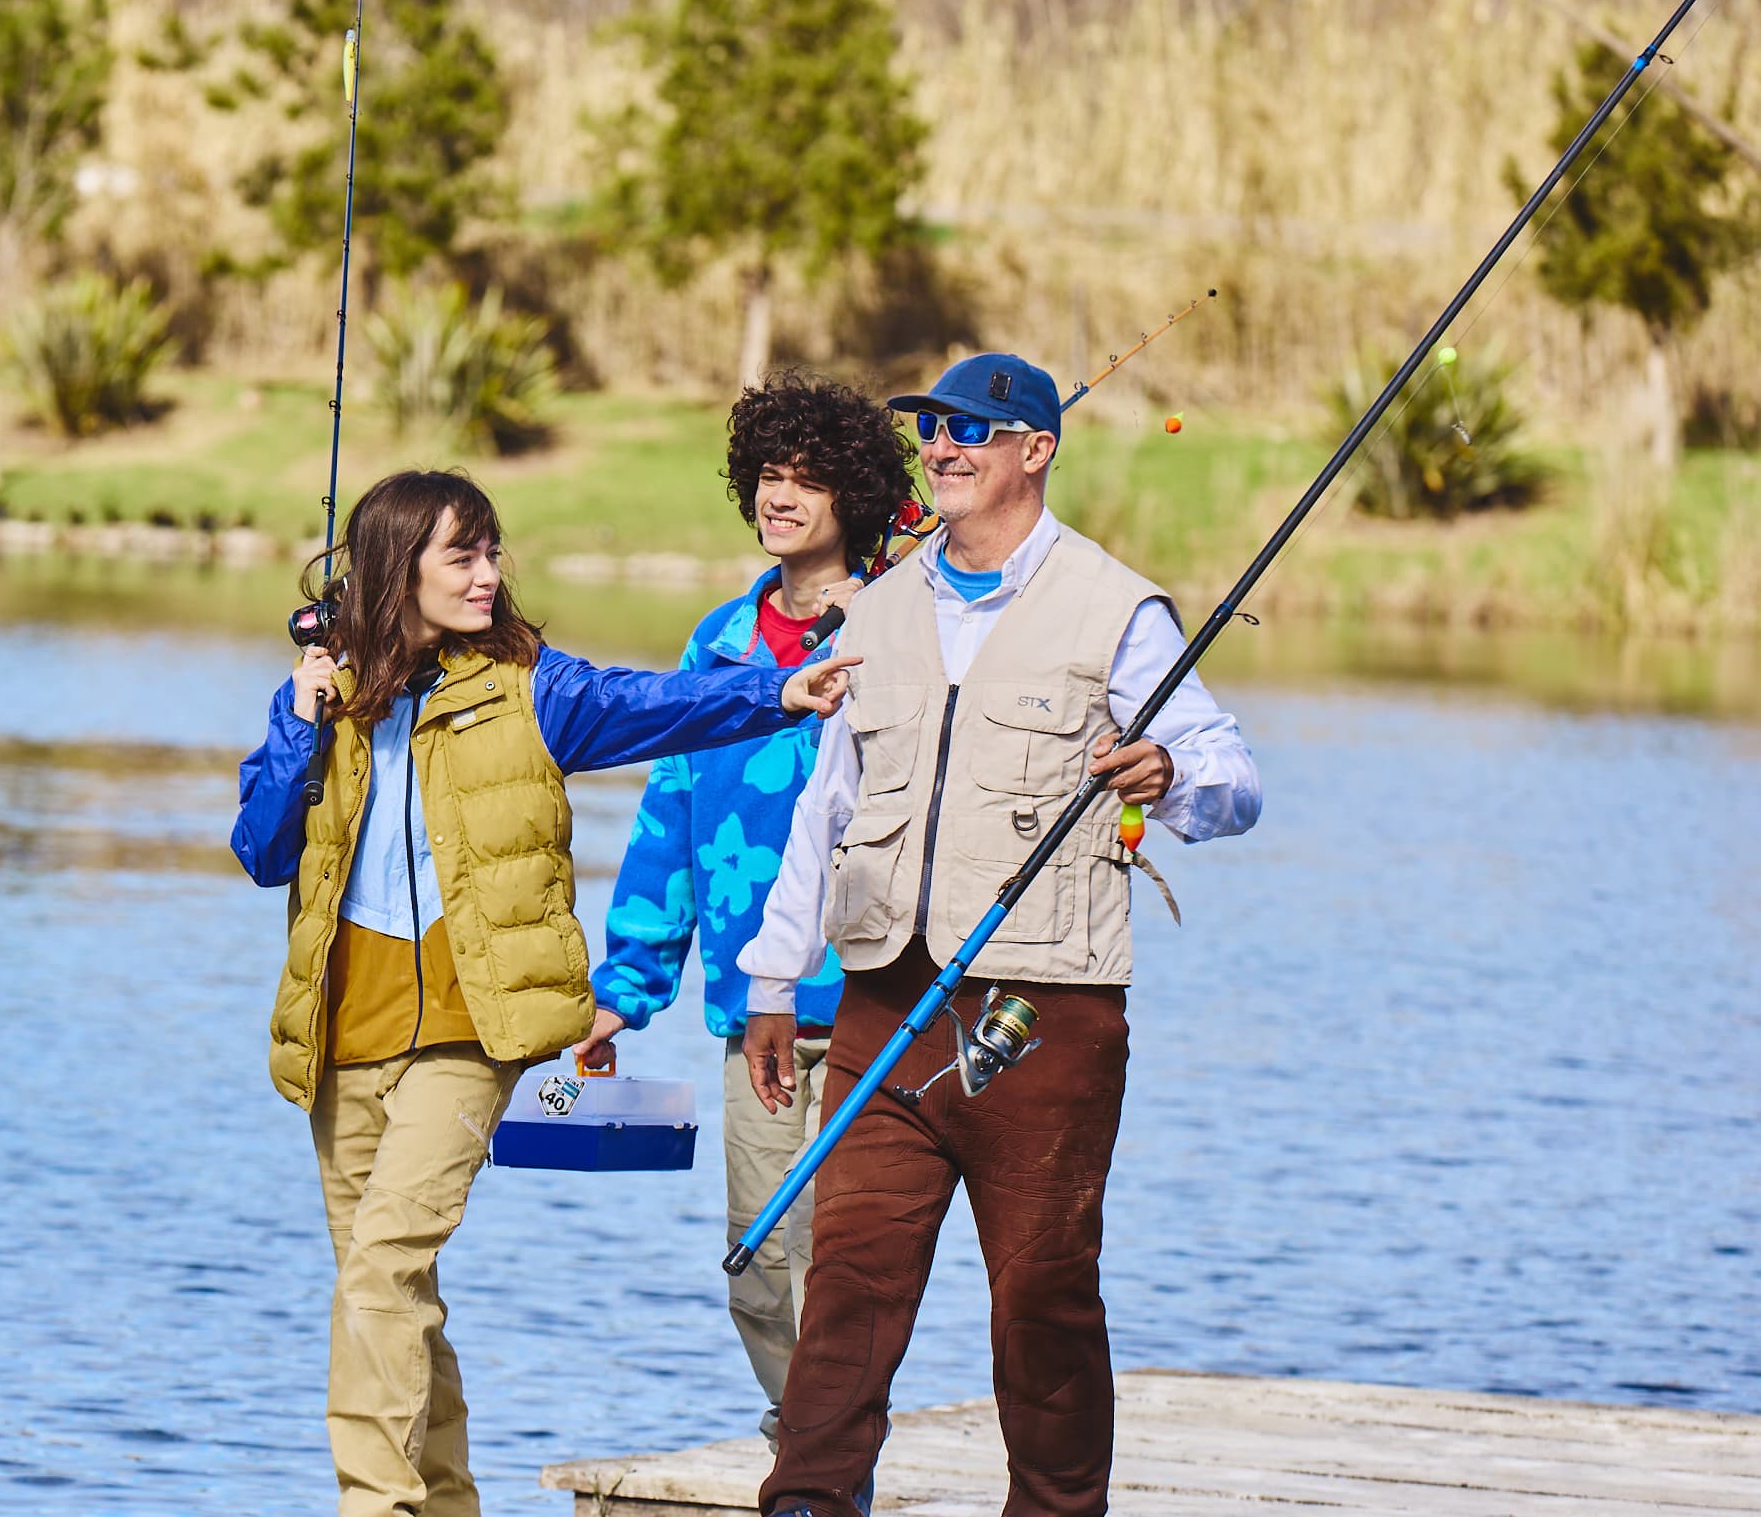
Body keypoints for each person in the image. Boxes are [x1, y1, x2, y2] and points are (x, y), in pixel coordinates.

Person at [231, 468, 858, 1517]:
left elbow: (650, 704)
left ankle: (373, 1505)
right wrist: (301, 721)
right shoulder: (324, 694)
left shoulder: (530, 685)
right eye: (462, 555)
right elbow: (261, 851)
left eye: (491, 551)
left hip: (472, 1025)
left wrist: (775, 691)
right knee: (390, 1293)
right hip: (345, 1028)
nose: (489, 572)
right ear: (395, 571)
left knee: (384, 1268)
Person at [734, 355, 1263, 1517]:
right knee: (850, 1274)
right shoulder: (874, 608)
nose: (943, 446)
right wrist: (773, 979)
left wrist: (1168, 770)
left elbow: (1233, 778)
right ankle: (808, 1498)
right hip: (884, 1003)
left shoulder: (1116, 607)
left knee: (1043, 1294)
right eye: (932, 427)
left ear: (1037, 449)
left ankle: (1058, 1504)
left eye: (973, 428)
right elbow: (825, 810)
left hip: (1046, 1015)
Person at [568, 372, 917, 1445]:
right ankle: (808, 1438)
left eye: (809, 479)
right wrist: (626, 989)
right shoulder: (718, 641)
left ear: (855, 497)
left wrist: (889, 611)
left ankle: (823, 1455)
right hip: (752, 1009)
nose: (781, 496)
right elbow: (667, 816)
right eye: (769, 474)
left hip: (877, 994)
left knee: (843, 1253)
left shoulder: (905, 621)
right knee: (760, 1254)